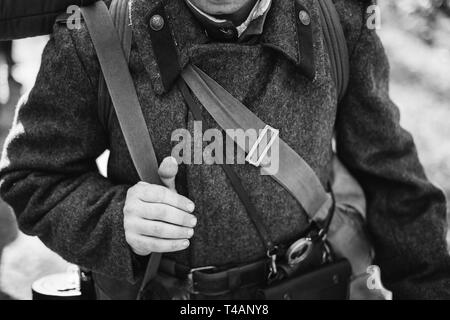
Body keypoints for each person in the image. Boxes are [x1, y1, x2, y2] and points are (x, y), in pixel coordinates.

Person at [0, 0, 449, 300]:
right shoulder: (98, 32)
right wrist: (114, 220)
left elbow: (395, 185)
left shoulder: (338, 20)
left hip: (306, 284)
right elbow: (30, 176)